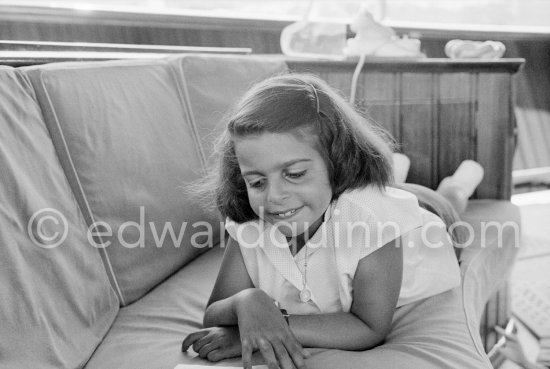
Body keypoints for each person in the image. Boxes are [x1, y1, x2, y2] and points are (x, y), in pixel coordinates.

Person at [181, 73, 461, 369]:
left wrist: (273, 327)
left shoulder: (374, 221)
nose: (274, 197)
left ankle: (460, 181)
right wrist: (247, 301)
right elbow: (213, 312)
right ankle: (398, 168)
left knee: (447, 198)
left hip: (426, 227)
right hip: (342, 199)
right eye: (257, 182)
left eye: (295, 174)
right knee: (388, 185)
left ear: (336, 161)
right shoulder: (253, 224)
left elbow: (369, 327)